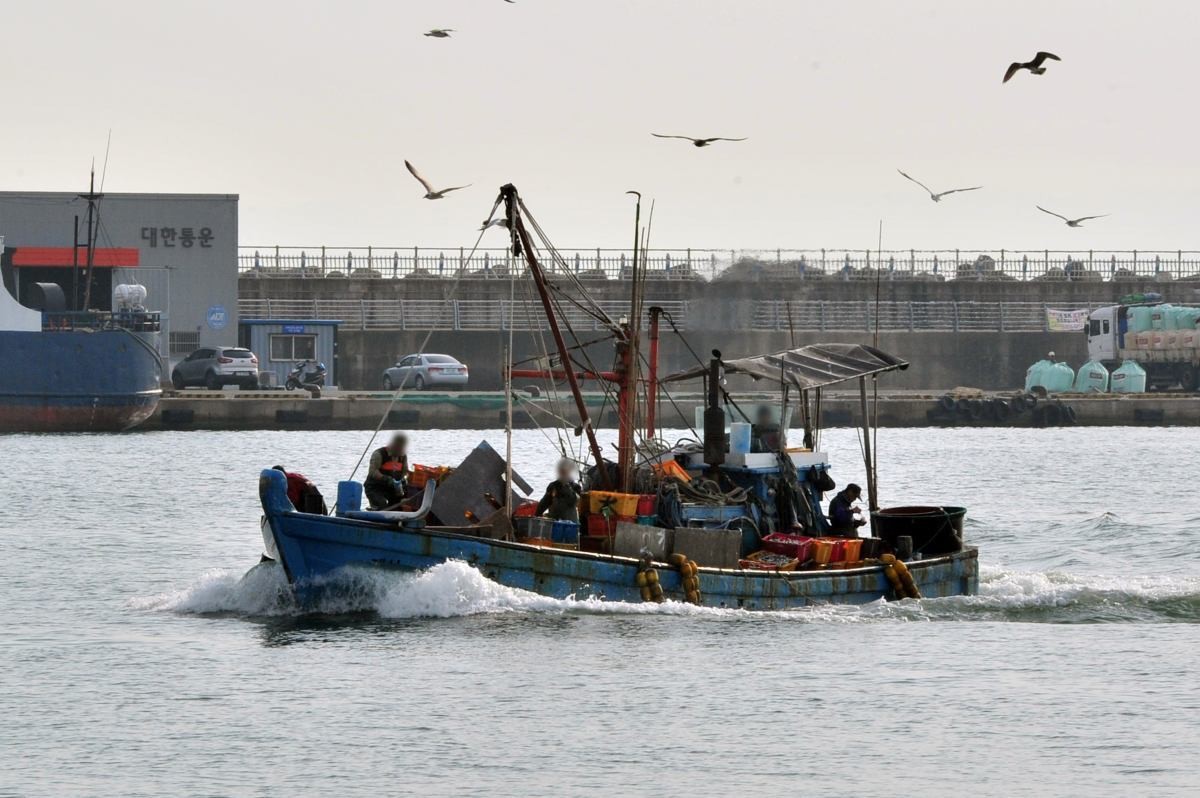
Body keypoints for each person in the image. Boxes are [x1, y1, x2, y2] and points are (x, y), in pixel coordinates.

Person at [365, 433, 410, 509]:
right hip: (375, 488)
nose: (400, 450)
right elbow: (373, 472)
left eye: (402, 447)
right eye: (398, 447)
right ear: (394, 445)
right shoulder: (379, 454)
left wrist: (404, 479)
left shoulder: (403, 457)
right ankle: (375, 509)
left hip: (392, 489)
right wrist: (386, 479)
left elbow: (405, 472)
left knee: (402, 503)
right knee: (382, 503)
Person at [536, 458, 582, 523]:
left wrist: (566, 485)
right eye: (562, 471)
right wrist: (537, 515)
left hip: (570, 523)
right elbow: (543, 504)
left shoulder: (576, 487)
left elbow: (573, 501)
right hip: (554, 521)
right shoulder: (553, 486)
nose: (563, 474)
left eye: (565, 472)